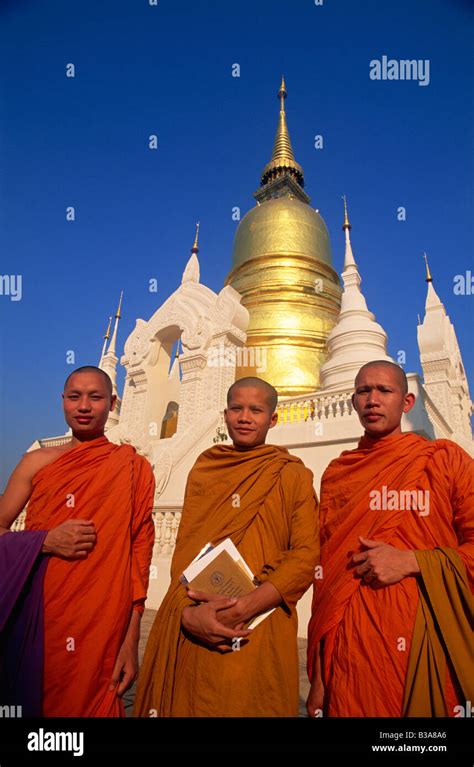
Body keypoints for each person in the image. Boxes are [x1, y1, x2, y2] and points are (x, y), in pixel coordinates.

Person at [134, 376, 319, 717]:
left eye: (256, 410)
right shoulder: (206, 468)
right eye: (236, 408)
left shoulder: (291, 474)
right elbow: (186, 549)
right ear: (225, 414)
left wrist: (244, 607)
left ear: (273, 419)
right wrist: (187, 614)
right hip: (198, 615)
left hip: (259, 622)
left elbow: (306, 556)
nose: (245, 417)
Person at [306, 360, 473, 718]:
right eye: (364, 391)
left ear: (407, 402)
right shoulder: (338, 473)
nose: (373, 400)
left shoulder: (443, 461)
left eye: (384, 390)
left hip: (423, 632)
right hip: (349, 643)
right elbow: (327, 574)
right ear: (352, 402)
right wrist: (320, 675)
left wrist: (414, 561)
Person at [0, 366, 155, 716]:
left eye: (95, 397)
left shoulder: (132, 467)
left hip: (105, 620)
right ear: (63, 402)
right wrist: (43, 541)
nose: (84, 406)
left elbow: (138, 556)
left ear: (112, 404)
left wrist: (130, 641)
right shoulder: (36, 462)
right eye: (75, 397)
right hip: (44, 612)